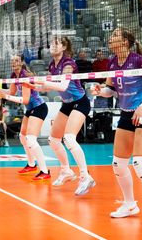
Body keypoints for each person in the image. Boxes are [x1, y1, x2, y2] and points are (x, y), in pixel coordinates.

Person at [91, 28, 142, 229]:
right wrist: (100, 90)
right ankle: (130, 204)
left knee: (140, 163)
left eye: (115, 35)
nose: (110, 38)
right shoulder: (112, 63)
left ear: (125, 42)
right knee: (118, 164)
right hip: (126, 115)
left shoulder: (140, 61)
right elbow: (111, 90)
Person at [29, 36, 96, 195]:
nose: (52, 45)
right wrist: (34, 86)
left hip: (80, 102)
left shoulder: (68, 64)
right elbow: (50, 87)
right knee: (53, 140)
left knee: (69, 138)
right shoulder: (53, 65)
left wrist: (43, 82)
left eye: (57, 43)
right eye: (51, 43)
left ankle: (85, 176)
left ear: (64, 47)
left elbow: (63, 85)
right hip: (67, 104)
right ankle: (66, 170)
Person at [0, 55, 50, 180]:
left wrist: (6, 97)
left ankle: (44, 171)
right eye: (12, 61)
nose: (14, 63)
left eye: (16, 60)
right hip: (31, 109)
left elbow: (26, 100)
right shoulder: (13, 76)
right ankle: (31, 164)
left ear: (22, 62)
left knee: (31, 139)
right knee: (22, 137)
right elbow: (11, 92)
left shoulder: (25, 76)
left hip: (39, 107)